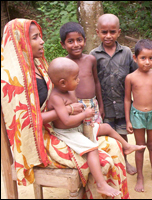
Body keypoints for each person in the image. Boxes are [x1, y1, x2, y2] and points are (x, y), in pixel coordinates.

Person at [1, 18, 130, 199]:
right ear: (21, 41)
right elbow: (27, 121)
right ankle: (99, 190)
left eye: (40, 36)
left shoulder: (39, 66)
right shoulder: (16, 81)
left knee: (114, 144)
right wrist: (68, 111)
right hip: (43, 139)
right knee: (104, 158)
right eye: (35, 37)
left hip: (61, 127)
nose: (42, 41)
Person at [47, 57, 146, 197]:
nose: (79, 81)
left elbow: (76, 111)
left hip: (78, 127)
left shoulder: (70, 91)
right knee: (92, 149)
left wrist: (84, 115)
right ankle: (101, 184)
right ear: (62, 83)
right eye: (75, 78)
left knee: (106, 127)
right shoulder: (56, 97)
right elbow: (67, 121)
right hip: (67, 132)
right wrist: (84, 114)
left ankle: (126, 146)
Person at [90, 13, 139, 175]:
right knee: (108, 137)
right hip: (105, 105)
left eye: (112, 32)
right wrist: (99, 105)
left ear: (119, 32)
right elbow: (93, 80)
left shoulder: (126, 52)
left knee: (123, 135)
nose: (108, 36)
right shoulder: (93, 55)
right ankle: (112, 164)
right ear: (98, 32)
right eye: (104, 32)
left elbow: (135, 75)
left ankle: (124, 162)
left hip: (123, 102)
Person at [125, 39, 152, 192]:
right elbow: (127, 99)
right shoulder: (130, 78)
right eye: (143, 58)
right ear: (135, 58)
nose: (147, 62)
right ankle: (140, 176)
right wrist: (128, 119)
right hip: (137, 116)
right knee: (140, 147)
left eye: (151, 58)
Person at [59, 22, 103, 124]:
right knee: (81, 133)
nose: (76, 45)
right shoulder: (63, 65)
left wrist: (101, 106)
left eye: (79, 40)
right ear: (63, 44)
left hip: (93, 104)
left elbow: (96, 82)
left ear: (85, 41)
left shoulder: (91, 60)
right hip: (76, 106)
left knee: (96, 133)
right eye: (70, 41)